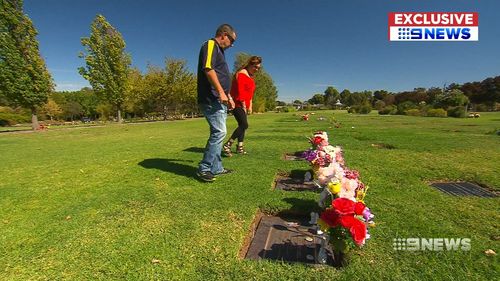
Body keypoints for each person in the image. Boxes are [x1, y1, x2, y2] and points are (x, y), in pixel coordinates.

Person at [196, 24, 236, 182]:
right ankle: (204, 168)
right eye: (232, 40)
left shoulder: (220, 52)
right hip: (211, 97)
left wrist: (229, 96)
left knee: (219, 132)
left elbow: (220, 75)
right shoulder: (211, 44)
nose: (232, 44)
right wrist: (220, 92)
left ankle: (217, 168)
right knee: (219, 132)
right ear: (224, 35)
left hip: (219, 98)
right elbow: (208, 68)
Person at [222, 56, 262, 157]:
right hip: (237, 104)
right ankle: (228, 144)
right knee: (244, 125)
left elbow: (250, 93)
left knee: (242, 125)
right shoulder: (241, 74)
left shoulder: (249, 76)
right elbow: (241, 92)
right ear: (249, 64)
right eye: (255, 67)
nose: (257, 69)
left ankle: (240, 147)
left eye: (259, 68)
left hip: (245, 104)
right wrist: (244, 105)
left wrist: (250, 106)